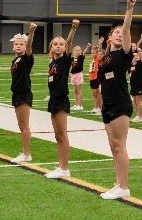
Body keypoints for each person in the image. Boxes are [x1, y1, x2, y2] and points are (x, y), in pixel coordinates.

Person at [97, 0, 137, 200]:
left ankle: (124, 187)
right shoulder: (105, 58)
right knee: (113, 146)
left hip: (121, 103)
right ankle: (117, 183)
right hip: (108, 104)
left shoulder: (124, 54)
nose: (120, 35)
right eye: (116, 33)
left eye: (122, 33)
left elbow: (127, 29)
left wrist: (129, 9)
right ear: (109, 38)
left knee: (120, 145)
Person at [45, 19, 80, 179]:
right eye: (55, 44)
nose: (58, 46)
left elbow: (70, 42)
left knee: (62, 134)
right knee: (57, 135)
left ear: (65, 48)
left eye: (61, 44)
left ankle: (64, 168)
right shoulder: (52, 63)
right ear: (51, 47)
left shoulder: (64, 61)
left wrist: (73, 29)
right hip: (53, 100)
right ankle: (60, 165)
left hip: (61, 99)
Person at [9, 22, 38, 163]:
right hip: (16, 94)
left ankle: (27, 154)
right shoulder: (15, 60)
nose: (18, 46)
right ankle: (25, 152)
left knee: (24, 124)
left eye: (21, 44)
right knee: (21, 124)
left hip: (24, 93)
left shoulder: (26, 58)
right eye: (16, 44)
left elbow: (30, 46)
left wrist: (31, 32)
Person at [70, 43, 89, 111]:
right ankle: (76, 104)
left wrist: (87, 47)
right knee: (75, 91)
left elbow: (84, 53)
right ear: (73, 51)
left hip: (79, 75)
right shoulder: (71, 58)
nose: (78, 51)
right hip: (73, 75)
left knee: (79, 90)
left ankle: (80, 105)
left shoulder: (81, 57)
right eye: (76, 50)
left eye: (79, 50)